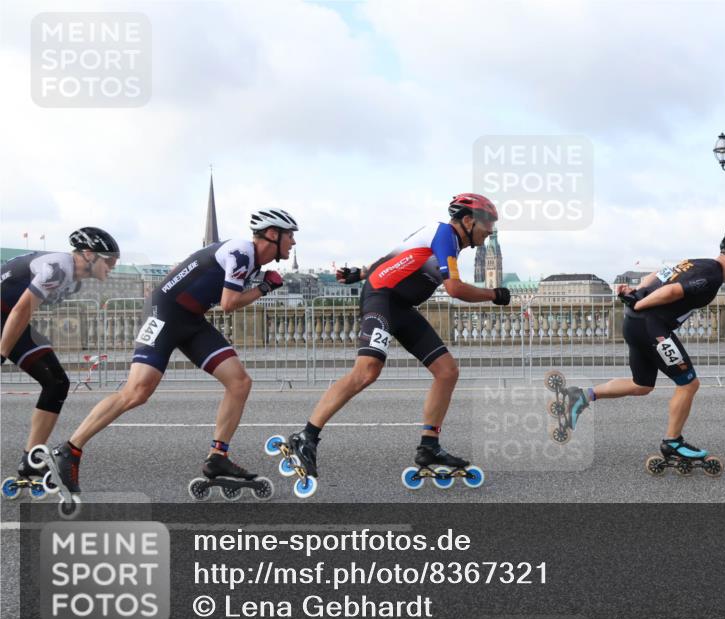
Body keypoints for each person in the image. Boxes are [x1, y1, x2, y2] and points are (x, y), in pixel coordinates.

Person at [45, 209, 297, 497]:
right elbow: (229, 304)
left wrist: (262, 284)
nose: (293, 242)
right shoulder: (241, 252)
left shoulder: (249, 261)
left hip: (191, 320)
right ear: (273, 234)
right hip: (162, 313)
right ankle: (69, 450)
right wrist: (265, 287)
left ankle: (217, 458)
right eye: (290, 235)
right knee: (136, 392)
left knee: (239, 382)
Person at [282, 193, 507, 490]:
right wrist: (494, 295)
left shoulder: (443, 239)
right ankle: (306, 437)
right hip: (383, 298)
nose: (489, 230)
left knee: (447, 371)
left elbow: (395, 256)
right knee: (367, 371)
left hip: (401, 306)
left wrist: (360, 272)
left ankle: (429, 445)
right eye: (487, 223)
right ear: (468, 220)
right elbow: (454, 289)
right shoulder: (446, 234)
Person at [553, 231, 725, 474]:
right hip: (650, 326)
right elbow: (672, 291)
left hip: (636, 323)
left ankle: (581, 396)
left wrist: (635, 293)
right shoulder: (712, 277)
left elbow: (657, 275)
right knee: (688, 384)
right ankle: (672, 442)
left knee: (641, 384)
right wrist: (639, 302)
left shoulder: (698, 263)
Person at [0, 228, 120, 498]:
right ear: (88, 254)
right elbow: (21, 309)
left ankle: (31, 461)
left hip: (8, 319)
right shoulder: (59, 268)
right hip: (8, 318)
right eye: (109, 260)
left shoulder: (73, 279)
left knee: (56, 383)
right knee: (54, 381)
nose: (113, 266)